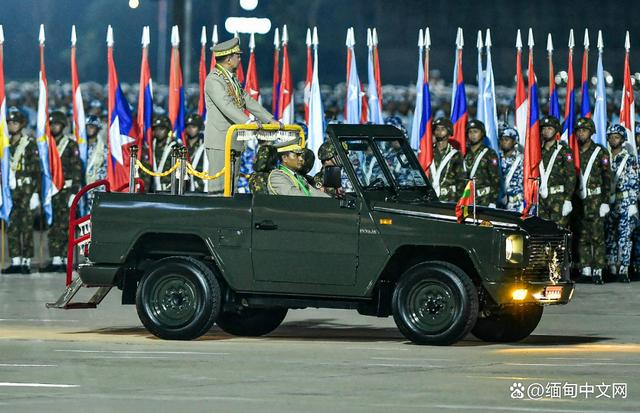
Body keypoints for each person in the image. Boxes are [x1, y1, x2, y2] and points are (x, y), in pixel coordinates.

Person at [204, 37, 278, 195]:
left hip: (234, 140)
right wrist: (248, 121)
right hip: (220, 141)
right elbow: (226, 105)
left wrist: (269, 119)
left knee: (232, 186)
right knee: (219, 188)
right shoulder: (214, 79)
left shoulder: (232, 80)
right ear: (229, 59)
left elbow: (247, 100)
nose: (240, 58)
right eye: (238, 55)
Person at [573, 117, 611, 284]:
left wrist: (605, 201)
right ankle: (585, 269)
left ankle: (598, 270)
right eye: (579, 130)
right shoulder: (573, 152)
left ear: (591, 132)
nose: (581, 133)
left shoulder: (600, 152)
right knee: (582, 235)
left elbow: (607, 178)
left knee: (597, 236)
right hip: (579, 200)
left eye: (585, 130)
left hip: (596, 199)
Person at [3, 108, 40, 274]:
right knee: (12, 227)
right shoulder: (4, 145)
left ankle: (26, 261)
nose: (12, 126)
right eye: (9, 123)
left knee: (26, 227)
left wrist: (35, 193)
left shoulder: (29, 143)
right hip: (9, 192)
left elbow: (36, 170)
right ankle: (15, 260)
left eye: (15, 122)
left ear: (22, 124)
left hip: (26, 191)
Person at [44, 110, 82, 273]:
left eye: (57, 124)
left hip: (66, 190)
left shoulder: (70, 144)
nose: (54, 127)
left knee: (66, 225)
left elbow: (77, 168)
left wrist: (74, 191)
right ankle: (55, 258)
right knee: (53, 226)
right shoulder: (46, 144)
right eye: (52, 124)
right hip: (51, 190)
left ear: (63, 126)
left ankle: (67, 260)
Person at [604, 124, 638, 282]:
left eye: (616, 137)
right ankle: (611, 267)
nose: (613, 139)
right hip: (609, 202)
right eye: (610, 137)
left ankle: (623, 269)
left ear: (623, 139)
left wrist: (632, 203)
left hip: (624, 201)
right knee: (609, 235)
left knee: (624, 236)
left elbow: (634, 181)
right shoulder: (605, 158)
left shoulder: (629, 158)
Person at [538, 116, 576, 226]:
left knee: (558, 234)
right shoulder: (537, 151)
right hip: (541, 200)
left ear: (556, 130)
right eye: (544, 128)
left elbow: (571, 176)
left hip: (559, 199)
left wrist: (568, 200)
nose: (546, 131)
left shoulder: (564, 150)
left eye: (549, 128)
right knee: (541, 233)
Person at [463, 119, 500, 207]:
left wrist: (492, 201)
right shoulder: (464, 154)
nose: (472, 135)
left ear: (482, 133)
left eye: (475, 132)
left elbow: (495, 180)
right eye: (470, 132)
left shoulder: (489, 153)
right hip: (466, 198)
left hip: (484, 200)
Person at [429, 117, 465, 202]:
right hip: (430, 199)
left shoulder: (456, 155)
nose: (439, 131)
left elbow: (461, 180)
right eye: (437, 129)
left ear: (449, 131)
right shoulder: (428, 153)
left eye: (443, 129)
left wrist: (460, 201)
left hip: (449, 199)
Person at [498, 126, 524, 212]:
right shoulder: (497, 158)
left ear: (514, 141)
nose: (503, 142)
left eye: (507, 139)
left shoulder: (521, 159)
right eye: (502, 139)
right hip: (499, 203)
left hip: (516, 204)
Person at [84, 115, 107, 210]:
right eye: (88, 126)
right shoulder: (78, 146)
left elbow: (105, 169)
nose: (89, 129)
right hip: (79, 189)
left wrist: (96, 188)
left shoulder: (104, 149)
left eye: (92, 126)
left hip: (95, 189)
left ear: (98, 129)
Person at [184, 113, 206, 192]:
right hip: (183, 186)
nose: (190, 129)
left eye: (194, 127)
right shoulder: (181, 144)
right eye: (188, 126)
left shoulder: (204, 145)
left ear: (199, 128)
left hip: (199, 187)